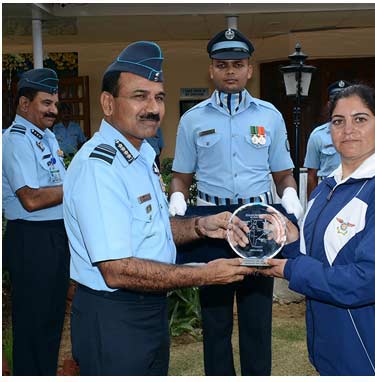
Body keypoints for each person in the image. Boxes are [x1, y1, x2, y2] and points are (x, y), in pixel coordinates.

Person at [62, 40, 255, 376]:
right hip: (114, 317)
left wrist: (199, 226)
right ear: (108, 103)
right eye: (140, 96)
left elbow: (149, 228)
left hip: (147, 309)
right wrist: (203, 275)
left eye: (159, 97)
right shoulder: (100, 167)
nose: (153, 108)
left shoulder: (140, 156)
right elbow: (117, 269)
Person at [258, 84, 375, 376]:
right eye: (338, 121)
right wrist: (284, 236)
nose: (348, 129)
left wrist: (290, 271)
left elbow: (373, 279)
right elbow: (317, 256)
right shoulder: (327, 186)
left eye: (360, 119)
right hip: (334, 347)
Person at [168, 28, 302, 376]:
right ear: (211, 70)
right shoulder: (193, 119)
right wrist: (177, 200)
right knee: (215, 323)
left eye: (238, 64)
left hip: (258, 220)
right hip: (213, 224)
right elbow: (181, 175)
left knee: (257, 321)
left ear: (249, 69)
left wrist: (290, 195)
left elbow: (283, 172)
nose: (230, 71)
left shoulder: (269, 116)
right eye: (222, 64)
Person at [1, 68, 68, 376]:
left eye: (54, 103)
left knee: (52, 319)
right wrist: (76, 188)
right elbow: (30, 198)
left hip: (52, 236)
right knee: (32, 323)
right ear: (24, 104)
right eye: (46, 103)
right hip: (31, 239)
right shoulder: (15, 140)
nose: (53, 110)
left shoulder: (45, 135)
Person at [303, 80, 349, 196]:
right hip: (328, 193)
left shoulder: (361, 133)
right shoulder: (318, 135)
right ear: (329, 105)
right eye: (336, 101)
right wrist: (312, 206)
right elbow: (312, 176)